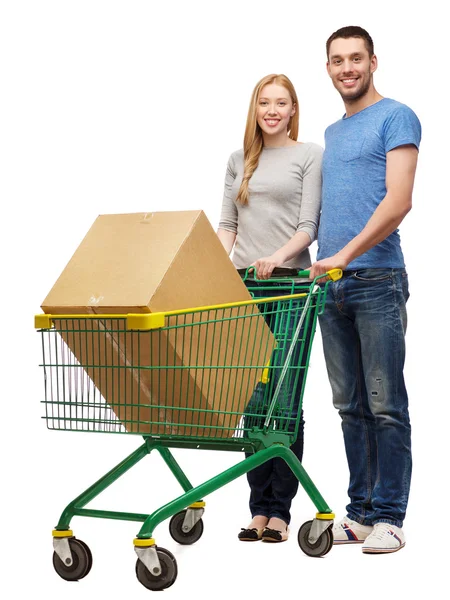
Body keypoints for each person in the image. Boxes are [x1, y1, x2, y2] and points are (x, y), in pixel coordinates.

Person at [309, 26, 421, 554]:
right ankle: (359, 514)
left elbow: (399, 200)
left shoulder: (397, 116)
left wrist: (346, 255)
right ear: (328, 68)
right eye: (337, 60)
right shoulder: (332, 132)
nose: (347, 68)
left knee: (385, 404)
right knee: (349, 405)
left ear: (374, 61)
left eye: (356, 58)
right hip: (330, 287)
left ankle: (391, 516)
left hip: (377, 280)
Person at [217, 73, 323, 543]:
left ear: (293, 109)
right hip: (244, 289)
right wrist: (214, 271)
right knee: (251, 399)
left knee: (284, 397)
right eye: (265, 102)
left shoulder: (309, 155)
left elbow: (309, 225)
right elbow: (227, 224)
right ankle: (257, 509)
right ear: (255, 109)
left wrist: (277, 258)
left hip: (290, 286)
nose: (273, 110)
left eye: (282, 103)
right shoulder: (239, 160)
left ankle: (280, 509)